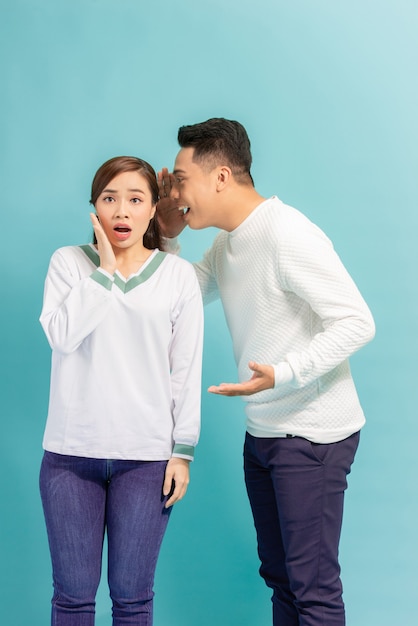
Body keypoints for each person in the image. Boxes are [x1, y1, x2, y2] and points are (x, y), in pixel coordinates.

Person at [157, 118, 375, 626]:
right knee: (281, 580)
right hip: (265, 433)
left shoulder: (286, 233)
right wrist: (167, 236)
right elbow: (178, 297)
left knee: (312, 590)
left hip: (312, 434)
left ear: (221, 177)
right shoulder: (230, 242)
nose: (176, 192)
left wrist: (283, 373)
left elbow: (356, 321)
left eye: (182, 180)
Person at [39, 156, 204, 626]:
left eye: (135, 200)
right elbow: (63, 336)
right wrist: (106, 269)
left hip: (146, 460)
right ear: (94, 207)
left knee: (133, 600)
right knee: (72, 598)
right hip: (70, 458)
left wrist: (182, 452)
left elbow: (185, 370)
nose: (122, 212)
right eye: (110, 199)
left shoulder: (177, 276)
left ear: (154, 209)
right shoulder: (68, 264)